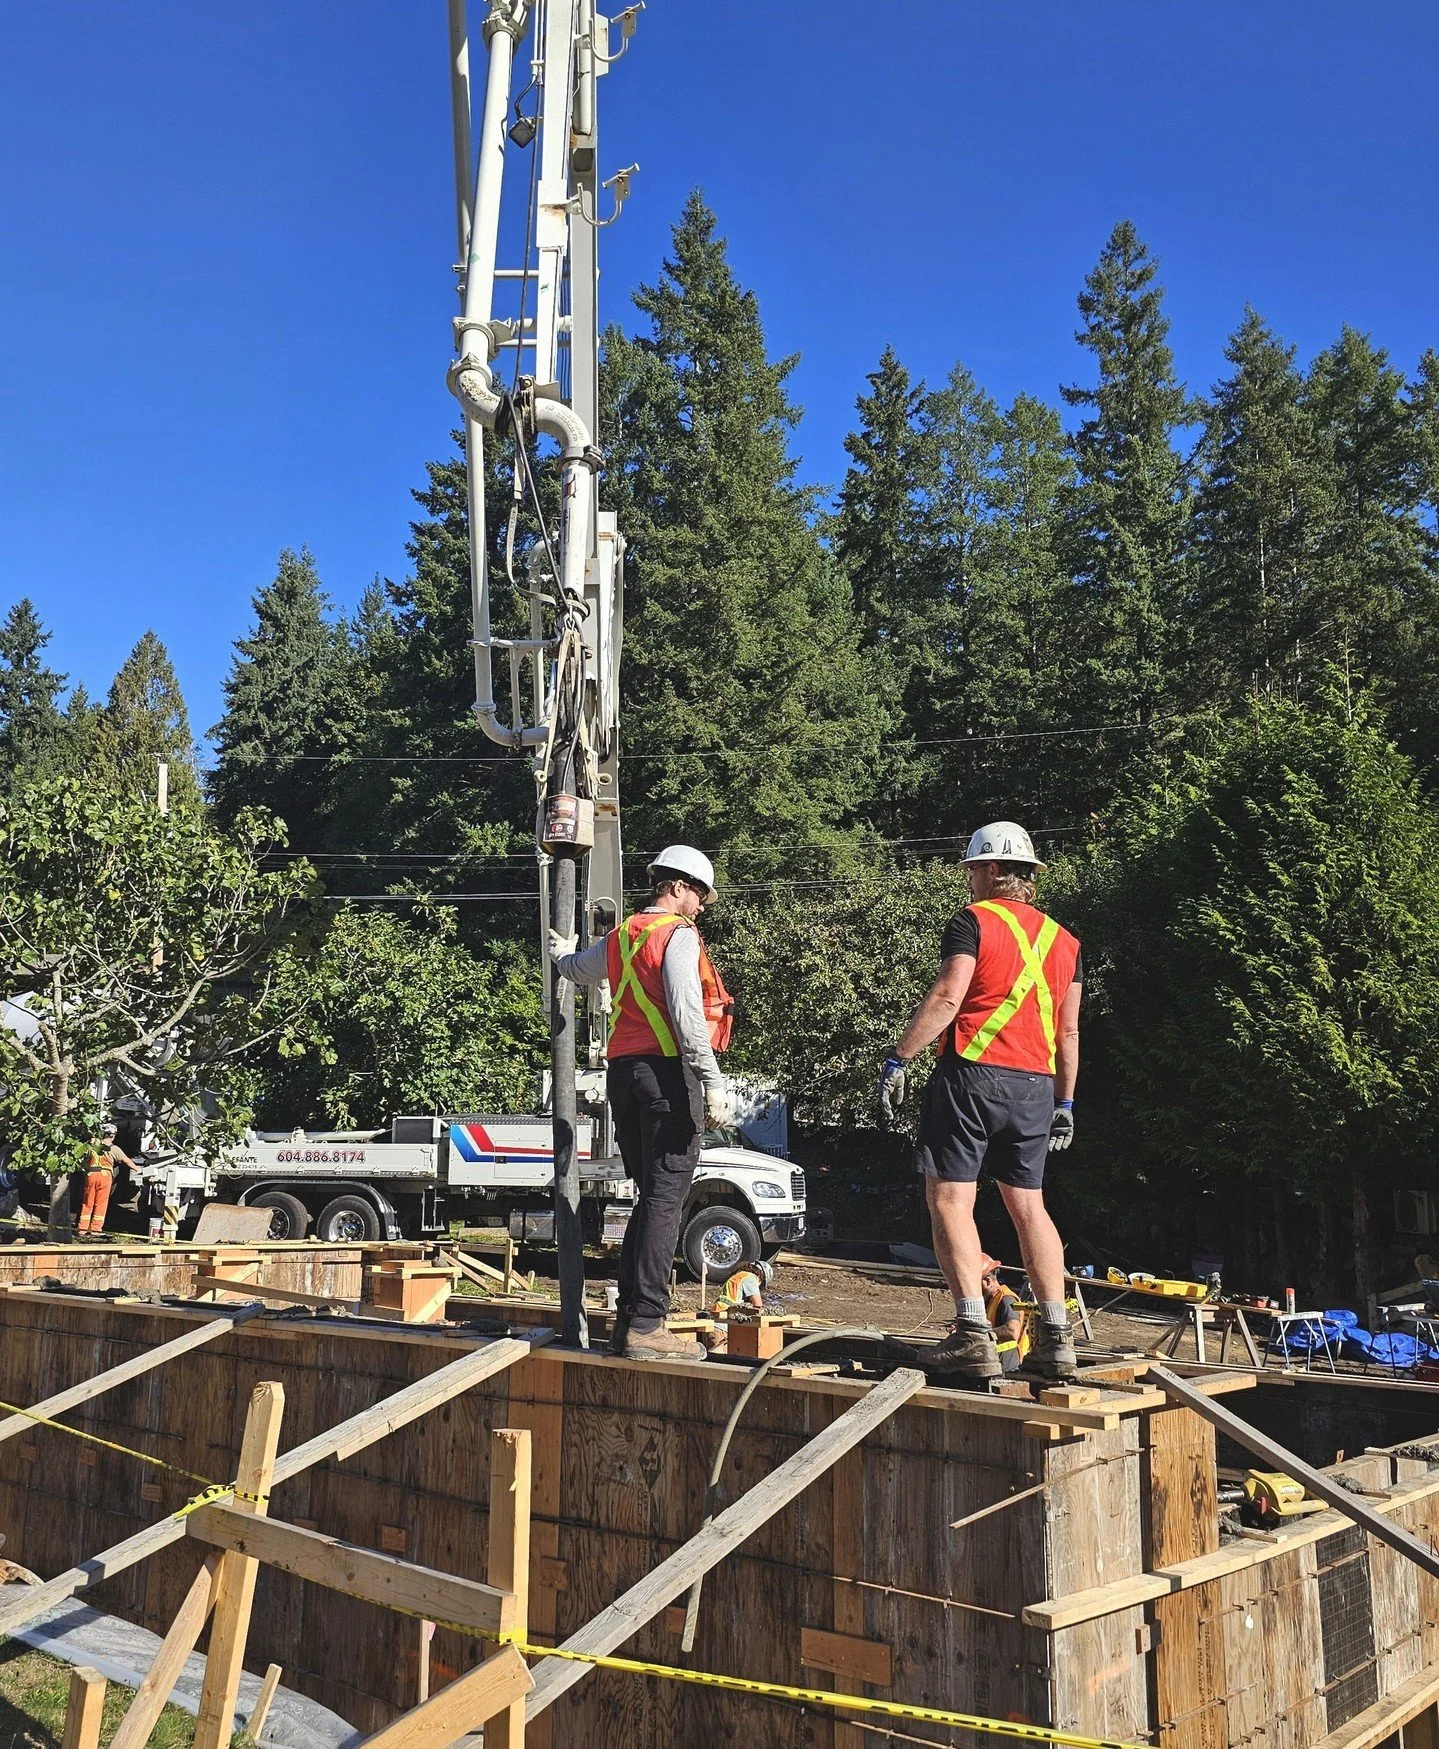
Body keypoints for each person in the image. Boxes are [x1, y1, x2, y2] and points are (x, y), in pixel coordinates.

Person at [879, 821, 1081, 1382]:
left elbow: (949, 996)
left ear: (992, 869)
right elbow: (1068, 1032)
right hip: (1036, 1086)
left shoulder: (974, 920)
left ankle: (971, 1332)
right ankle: (1056, 1338)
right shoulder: (1065, 941)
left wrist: (899, 1057)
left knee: (949, 1199)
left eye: (972, 869)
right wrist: (1065, 1102)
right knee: (1030, 1206)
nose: (968, 879)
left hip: (972, 1074)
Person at [550, 845, 735, 1362]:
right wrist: (712, 1081)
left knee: (651, 1197)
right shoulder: (677, 934)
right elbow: (687, 1014)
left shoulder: (621, 936)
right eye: (698, 895)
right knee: (666, 1198)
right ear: (677, 887)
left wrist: (561, 953)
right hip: (666, 1076)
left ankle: (630, 1322)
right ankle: (649, 1324)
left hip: (624, 1078)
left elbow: (576, 969)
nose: (700, 907)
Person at [76, 1122, 136, 1238]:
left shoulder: (91, 1146)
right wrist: (137, 1168)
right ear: (113, 1135)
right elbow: (126, 1160)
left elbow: (81, 1158)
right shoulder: (114, 1149)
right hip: (105, 1176)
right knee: (101, 1203)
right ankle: (95, 1229)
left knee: (87, 1202)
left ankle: (82, 1229)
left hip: (91, 1174)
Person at [980, 1255, 1028, 1373]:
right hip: (995, 1363)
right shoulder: (991, 1300)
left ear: (988, 1281)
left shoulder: (1006, 1299)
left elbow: (1012, 1331)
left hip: (1008, 1367)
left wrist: (980, 1334)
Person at [708, 1259, 773, 1319]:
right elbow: (758, 1306)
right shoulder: (751, 1278)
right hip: (725, 1315)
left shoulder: (739, 1276)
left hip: (717, 1311)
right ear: (761, 1276)